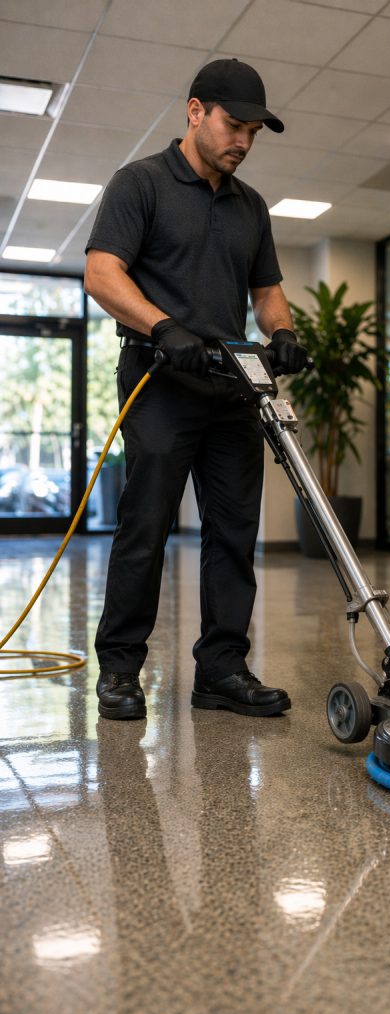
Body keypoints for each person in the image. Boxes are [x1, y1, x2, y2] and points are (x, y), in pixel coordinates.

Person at [84, 58, 308, 721]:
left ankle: (222, 669)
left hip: (231, 387)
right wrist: (162, 325)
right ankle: (120, 668)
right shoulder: (141, 183)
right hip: (159, 379)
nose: (243, 141)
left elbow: (266, 291)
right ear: (195, 112)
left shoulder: (251, 206)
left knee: (234, 531)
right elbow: (102, 273)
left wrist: (283, 330)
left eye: (252, 133)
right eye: (233, 125)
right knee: (145, 526)